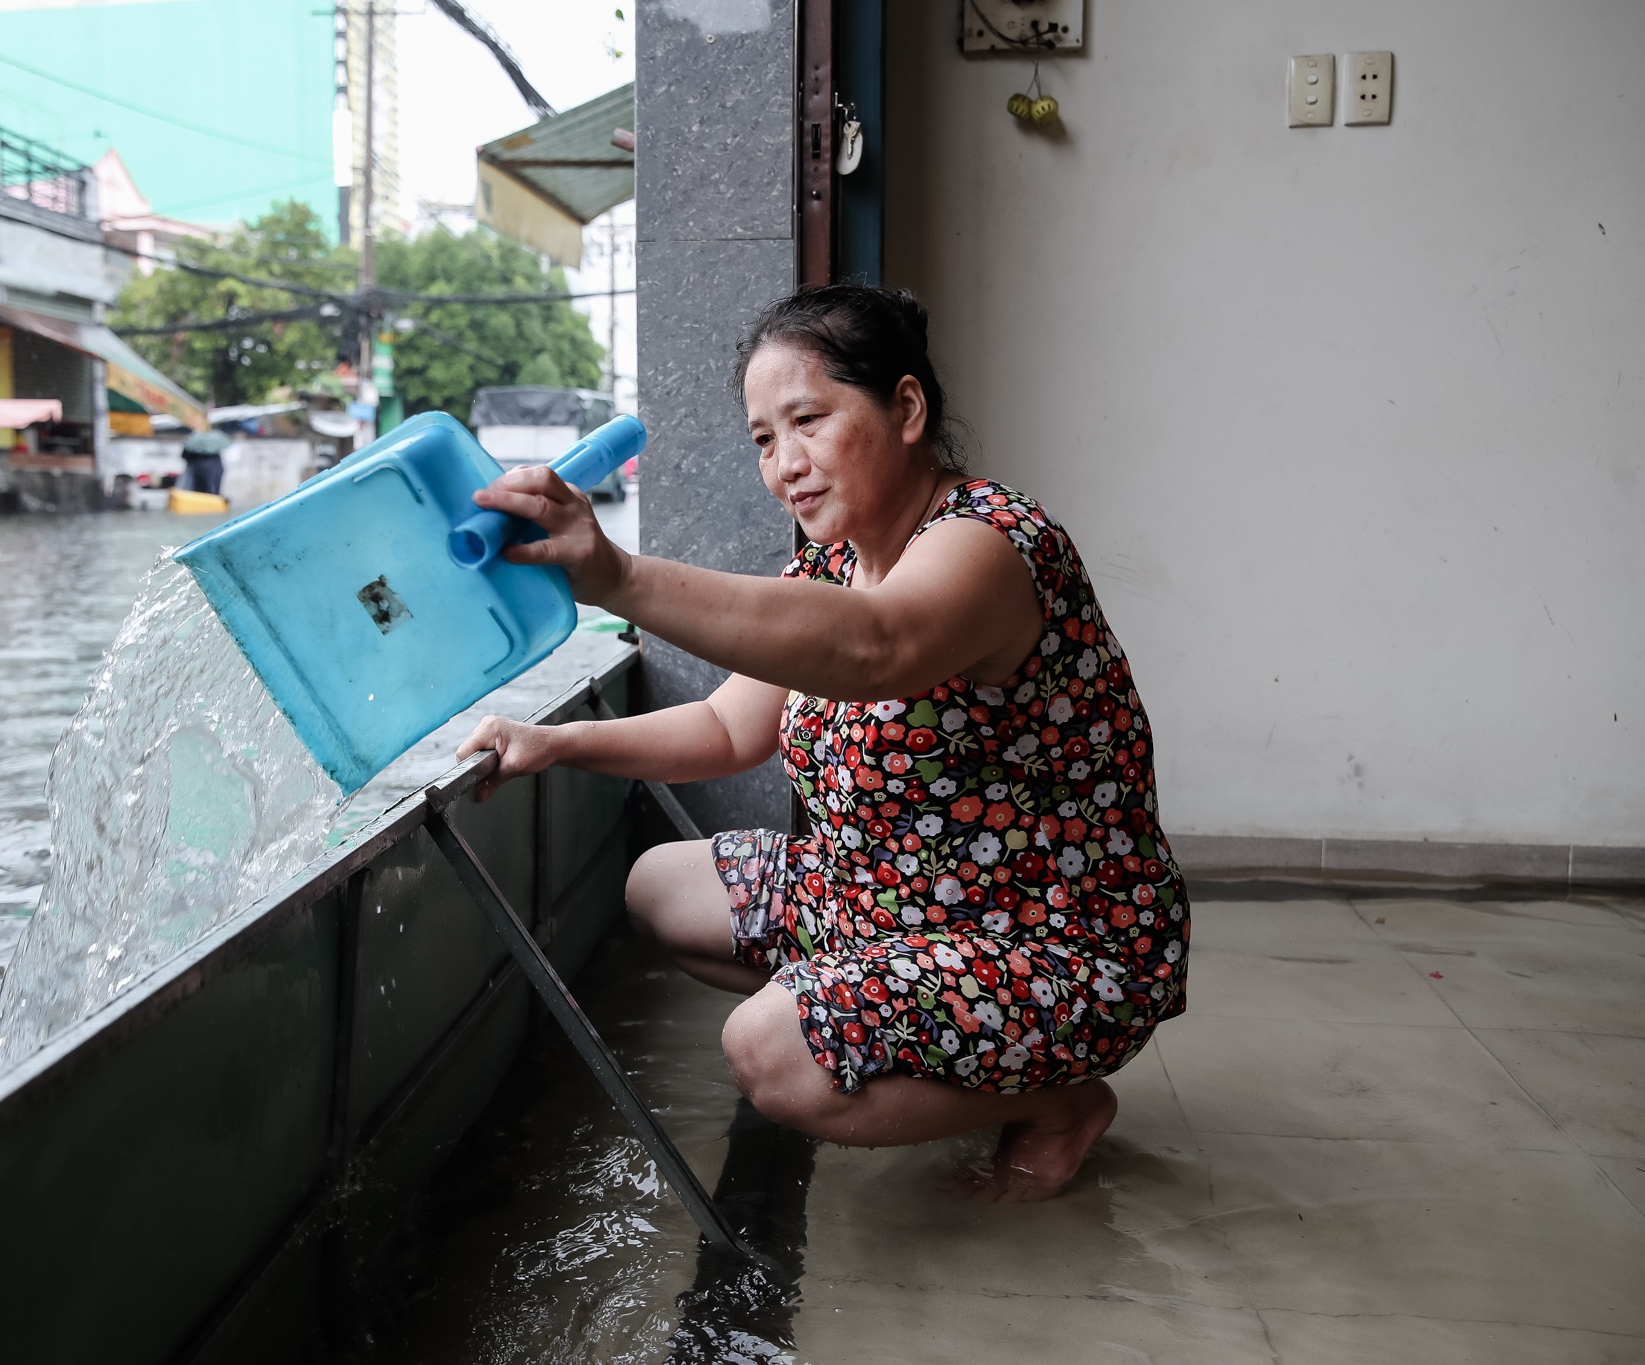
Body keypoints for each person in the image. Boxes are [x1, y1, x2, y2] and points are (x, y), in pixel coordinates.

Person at [457, 284, 1190, 1201]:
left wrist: (617, 575)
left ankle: (1058, 1102)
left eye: (808, 419)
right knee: (657, 887)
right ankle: (897, 1016)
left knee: (771, 1054)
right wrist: (557, 743)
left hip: (1052, 941)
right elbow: (728, 726)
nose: (785, 464)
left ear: (907, 409)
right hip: (894, 899)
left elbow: (877, 646)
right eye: (765, 438)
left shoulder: (999, 544)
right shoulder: (831, 559)